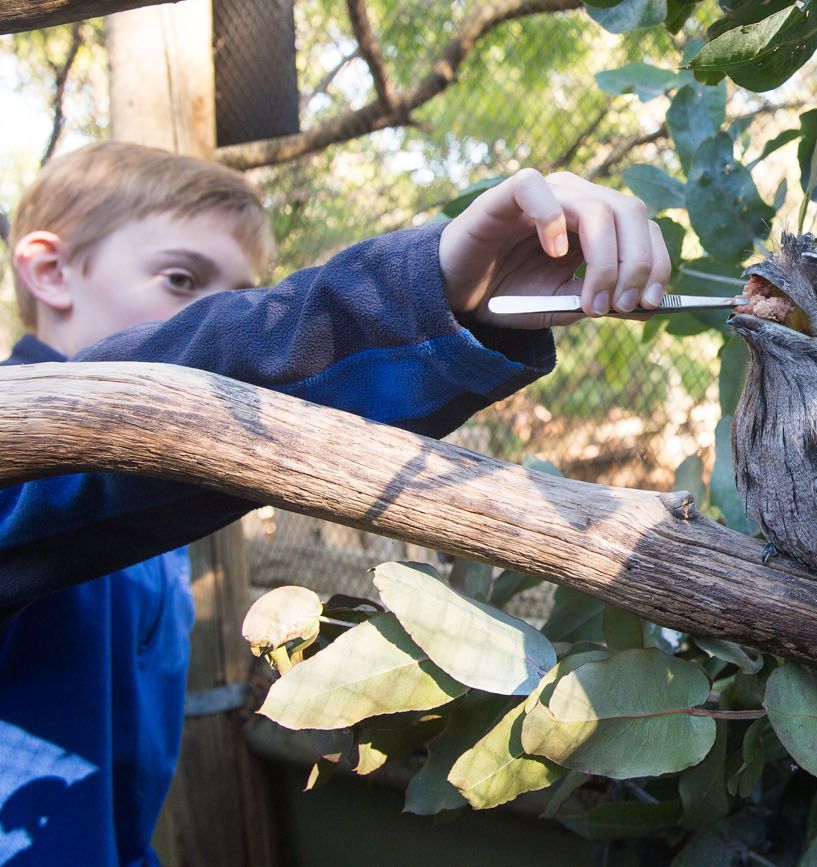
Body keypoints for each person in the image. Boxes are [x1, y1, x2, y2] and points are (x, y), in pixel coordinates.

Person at [0, 141, 671, 866]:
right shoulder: (22, 471)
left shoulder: (147, 528)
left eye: (239, 292)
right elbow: (203, 372)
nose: (219, 311)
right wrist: (423, 294)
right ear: (49, 269)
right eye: (182, 278)